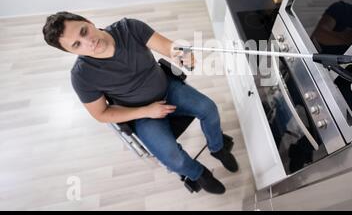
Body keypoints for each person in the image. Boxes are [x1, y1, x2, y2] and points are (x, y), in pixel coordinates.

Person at [42, 12, 238, 194]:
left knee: (208, 108)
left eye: (84, 31)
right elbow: (101, 114)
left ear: (89, 22)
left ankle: (217, 148)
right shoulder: (81, 76)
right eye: (77, 45)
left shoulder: (129, 28)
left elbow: (169, 47)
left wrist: (181, 53)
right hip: (141, 113)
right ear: (70, 52)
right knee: (173, 159)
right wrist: (147, 111)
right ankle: (199, 174)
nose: (88, 42)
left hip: (167, 89)